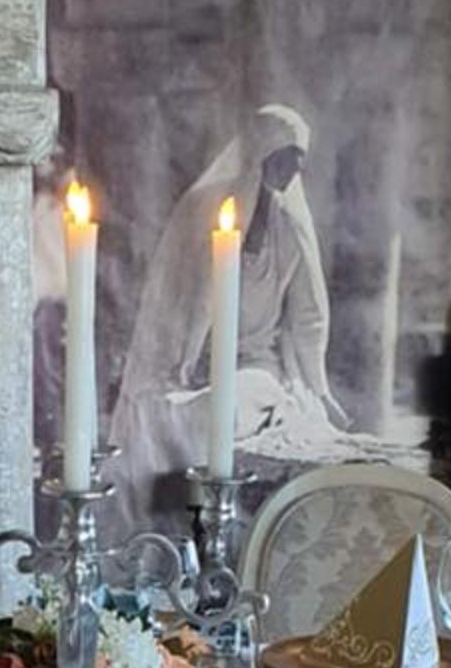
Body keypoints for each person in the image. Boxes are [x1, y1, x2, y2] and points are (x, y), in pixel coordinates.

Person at [116, 105, 349, 506]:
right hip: (193, 371)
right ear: (263, 154)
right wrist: (183, 366)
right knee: (171, 416)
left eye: (299, 163)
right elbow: (181, 301)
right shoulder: (203, 213)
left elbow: (308, 316)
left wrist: (319, 389)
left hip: (257, 368)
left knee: (228, 408)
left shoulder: (290, 230)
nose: (293, 173)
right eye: (286, 159)